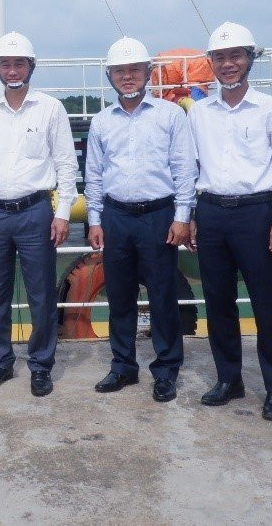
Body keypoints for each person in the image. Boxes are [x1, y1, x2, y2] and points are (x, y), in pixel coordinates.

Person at [187, 21, 272, 421]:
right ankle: (229, 379)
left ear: (249, 59)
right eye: (220, 57)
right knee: (218, 301)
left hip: (256, 212)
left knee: (266, 302)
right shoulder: (199, 113)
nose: (228, 64)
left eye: (236, 56)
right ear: (210, 62)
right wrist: (191, 215)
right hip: (211, 211)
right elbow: (190, 168)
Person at [0, 32, 78, 397]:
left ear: (31, 66)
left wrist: (62, 213)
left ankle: (40, 365)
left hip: (35, 211)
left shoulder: (50, 109)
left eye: (19, 63)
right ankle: (0, 362)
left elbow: (66, 163)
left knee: (41, 294)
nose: (12, 70)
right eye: (5, 64)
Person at [85, 37, 197, 402]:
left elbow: (184, 169)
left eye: (134, 70)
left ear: (148, 73)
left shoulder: (170, 116)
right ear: (110, 76)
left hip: (158, 215)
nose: (127, 76)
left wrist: (182, 216)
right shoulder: (101, 122)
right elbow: (94, 175)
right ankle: (123, 366)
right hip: (116, 216)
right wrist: (95, 219)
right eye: (120, 71)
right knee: (119, 296)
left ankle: (166, 370)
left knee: (163, 295)